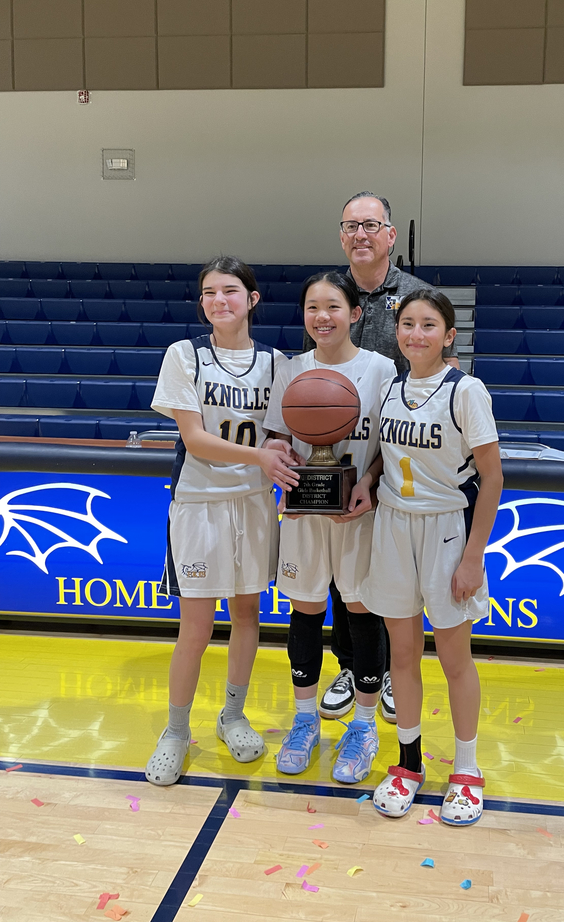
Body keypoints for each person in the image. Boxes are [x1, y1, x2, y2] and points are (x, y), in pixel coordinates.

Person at [145, 256, 301, 786]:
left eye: (230, 290)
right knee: (196, 625)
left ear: (252, 299)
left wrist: (279, 455)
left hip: (254, 503)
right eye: (209, 292)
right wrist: (261, 456)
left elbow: (281, 435)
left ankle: (232, 715)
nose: (218, 300)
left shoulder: (277, 363)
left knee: (248, 615)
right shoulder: (184, 355)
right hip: (199, 502)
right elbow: (193, 438)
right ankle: (174, 730)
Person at [307, 192, 460, 723]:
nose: (361, 234)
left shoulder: (417, 295)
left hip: (397, 460)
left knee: (391, 577)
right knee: (344, 576)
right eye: (351, 226)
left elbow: (444, 373)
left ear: (391, 235)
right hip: (341, 457)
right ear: (341, 235)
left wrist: (379, 472)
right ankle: (351, 667)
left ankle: (395, 671)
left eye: (371, 225)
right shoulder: (330, 294)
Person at [360, 289, 502, 825]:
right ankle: (409, 764)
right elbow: (385, 456)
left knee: (454, 659)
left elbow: (493, 478)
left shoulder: (466, 390)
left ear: (449, 335)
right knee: (401, 656)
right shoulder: (391, 389)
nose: (415, 334)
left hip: (447, 529)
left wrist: (473, 557)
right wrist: (368, 481)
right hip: (393, 526)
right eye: (407, 324)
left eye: (428, 325)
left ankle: (466, 770)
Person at [263, 272, 395, 782]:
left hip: (358, 512)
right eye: (312, 307)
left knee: (361, 609)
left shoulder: (380, 369)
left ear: (355, 313)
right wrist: (281, 466)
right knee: (305, 608)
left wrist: (370, 484)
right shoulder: (290, 369)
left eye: (333, 306)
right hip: (304, 512)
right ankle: (304, 720)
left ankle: (363, 725)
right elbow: (275, 438)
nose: (322, 316)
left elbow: (389, 446)